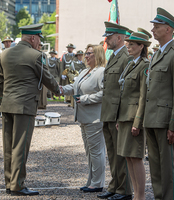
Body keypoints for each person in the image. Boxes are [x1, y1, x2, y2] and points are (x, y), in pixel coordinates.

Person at [0, 23, 61, 196]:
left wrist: (1, 100)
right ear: (32, 38)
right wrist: (58, 89)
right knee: (21, 146)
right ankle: (18, 185)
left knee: (8, 146)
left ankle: (9, 183)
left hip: (7, 104)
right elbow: (47, 78)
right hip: (25, 105)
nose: (39, 42)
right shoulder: (36, 56)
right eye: (39, 38)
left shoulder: (4, 54)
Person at [144, 7, 174, 200]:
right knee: (155, 167)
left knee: (168, 167)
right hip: (152, 118)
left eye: (157, 26)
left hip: (165, 121)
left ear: (168, 29)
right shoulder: (157, 54)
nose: (153, 30)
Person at [61, 44, 106, 193]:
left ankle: (98, 183)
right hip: (84, 118)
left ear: (97, 55)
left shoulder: (101, 72)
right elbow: (74, 86)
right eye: (86, 54)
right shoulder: (85, 71)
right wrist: (59, 89)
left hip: (95, 118)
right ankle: (92, 180)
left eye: (89, 54)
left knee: (96, 152)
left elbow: (104, 93)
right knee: (89, 151)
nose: (86, 56)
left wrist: (85, 98)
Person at [97, 21, 133, 200]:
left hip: (117, 113)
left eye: (109, 37)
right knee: (112, 152)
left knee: (121, 153)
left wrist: (121, 116)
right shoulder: (113, 56)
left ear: (119, 38)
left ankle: (124, 189)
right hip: (108, 113)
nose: (106, 39)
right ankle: (115, 185)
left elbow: (126, 91)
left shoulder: (126, 58)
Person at [116, 32, 151, 200]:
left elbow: (143, 96)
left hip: (133, 118)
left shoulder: (144, 65)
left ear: (141, 47)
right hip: (124, 117)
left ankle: (140, 196)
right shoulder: (131, 64)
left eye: (132, 45)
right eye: (128, 44)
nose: (128, 47)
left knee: (136, 157)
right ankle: (136, 194)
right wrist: (119, 118)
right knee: (128, 156)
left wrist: (138, 121)